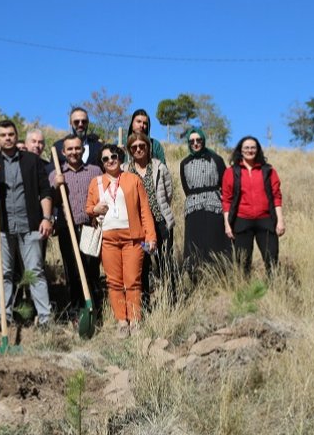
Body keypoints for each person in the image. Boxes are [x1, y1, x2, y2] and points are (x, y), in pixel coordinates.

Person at [0, 120, 54, 328]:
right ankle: (5, 316)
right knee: (3, 273)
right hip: (1, 228)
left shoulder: (32, 161)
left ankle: (45, 319)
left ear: (16, 135)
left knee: (35, 271)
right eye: (3, 135)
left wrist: (46, 218)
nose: (8, 138)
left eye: (11, 134)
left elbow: (45, 191)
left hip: (30, 226)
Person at [86, 144, 156, 336]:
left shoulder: (133, 180)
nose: (110, 161)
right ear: (101, 163)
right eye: (106, 158)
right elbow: (89, 208)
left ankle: (135, 320)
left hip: (133, 239)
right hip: (108, 240)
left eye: (114, 156)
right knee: (114, 281)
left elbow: (144, 210)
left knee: (133, 280)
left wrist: (150, 237)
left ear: (120, 157)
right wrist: (95, 210)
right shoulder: (96, 183)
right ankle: (121, 321)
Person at [49, 134, 103, 318]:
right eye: (70, 149)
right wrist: (56, 186)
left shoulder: (95, 171)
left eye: (77, 148)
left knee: (91, 270)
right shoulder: (56, 174)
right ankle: (75, 310)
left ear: (83, 150)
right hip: (67, 229)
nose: (74, 152)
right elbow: (53, 202)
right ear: (63, 152)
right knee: (71, 271)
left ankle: (95, 309)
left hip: (90, 226)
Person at [124, 133, 176, 307]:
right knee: (143, 265)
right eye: (134, 147)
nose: (139, 149)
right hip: (139, 228)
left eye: (142, 146)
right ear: (130, 150)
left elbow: (168, 193)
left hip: (160, 223)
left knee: (164, 262)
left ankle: (170, 302)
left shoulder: (159, 167)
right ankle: (145, 304)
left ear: (148, 147)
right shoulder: (125, 170)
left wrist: (158, 211)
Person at [222, 136, 285, 275]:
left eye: (253, 148)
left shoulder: (268, 171)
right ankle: (246, 292)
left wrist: (280, 220)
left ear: (258, 150)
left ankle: (275, 291)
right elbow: (226, 200)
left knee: (272, 259)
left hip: (266, 220)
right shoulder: (231, 172)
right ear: (240, 150)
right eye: (246, 148)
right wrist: (227, 224)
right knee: (242, 262)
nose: (250, 150)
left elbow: (276, 196)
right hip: (242, 220)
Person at [180, 128, 230, 273]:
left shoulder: (216, 159)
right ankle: (195, 275)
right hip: (193, 207)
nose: (196, 143)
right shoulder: (184, 163)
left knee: (214, 242)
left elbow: (226, 183)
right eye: (192, 141)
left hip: (213, 206)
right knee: (195, 245)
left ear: (203, 140)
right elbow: (186, 188)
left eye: (199, 140)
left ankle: (218, 275)